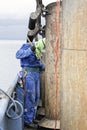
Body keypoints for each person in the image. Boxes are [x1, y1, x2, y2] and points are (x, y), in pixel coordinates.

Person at [15, 38, 45, 128]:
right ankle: (28, 121)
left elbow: (38, 63)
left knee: (36, 97)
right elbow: (18, 55)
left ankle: (33, 117)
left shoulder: (38, 50)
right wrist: (30, 50)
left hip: (36, 74)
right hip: (28, 74)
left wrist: (43, 67)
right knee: (30, 97)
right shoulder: (26, 46)